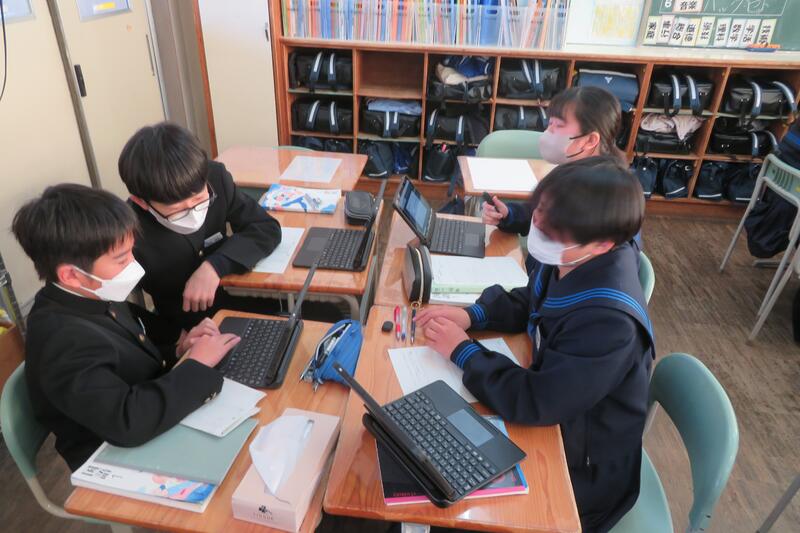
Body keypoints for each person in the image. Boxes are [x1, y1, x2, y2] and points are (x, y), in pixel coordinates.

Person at [417, 156, 654, 532]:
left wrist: (462, 350)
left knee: (441, 479)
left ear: (602, 244)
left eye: (554, 226)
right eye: (540, 211)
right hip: (559, 417)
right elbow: (533, 299)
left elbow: (535, 400)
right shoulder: (571, 256)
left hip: (578, 473)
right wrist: (472, 316)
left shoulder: (609, 323)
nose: (539, 226)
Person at [13, 184, 241, 471]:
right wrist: (196, 364)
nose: (134, 264)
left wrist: (178, 350)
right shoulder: (62, 341)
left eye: (131, 252)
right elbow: (126, 422)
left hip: (149, 411)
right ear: (71, 275)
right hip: (112, 455)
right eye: (122, 259)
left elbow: (130, 354)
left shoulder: (92, 294)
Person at [119, 122, 282, 334]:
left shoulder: (215, 177)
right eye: (177, 210)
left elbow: (265, 227)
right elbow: (114, 311)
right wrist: (173, 340)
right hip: (187, 326)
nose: (193, 213)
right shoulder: (125, 233)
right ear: (141, 202)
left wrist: (214, 266)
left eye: (199, 200)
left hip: (241, 298)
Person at [482, 87, 631, 272]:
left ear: (590, 140)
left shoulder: (608, 197)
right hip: (538, 281)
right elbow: (542, 215)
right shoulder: (568, 173)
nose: (548, 131)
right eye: (549, 123)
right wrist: (509, 214)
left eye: (558, 125)